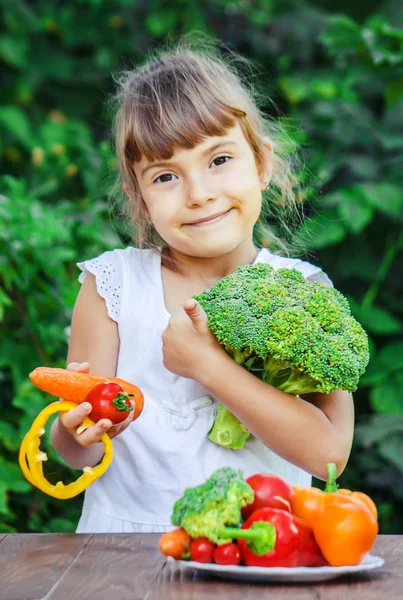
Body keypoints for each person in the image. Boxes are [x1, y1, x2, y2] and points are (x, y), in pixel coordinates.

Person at [50, 41, 354, 534]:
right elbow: (75, 452)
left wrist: (208, 366)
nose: (199, 194)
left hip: (257, 551)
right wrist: (73, 432)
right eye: (166, 176)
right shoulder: (112, 287)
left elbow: (329, 456)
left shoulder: (303, 290)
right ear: (139, 198)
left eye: (218, 160)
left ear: (260, 162)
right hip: (120, 559)